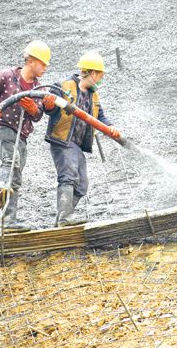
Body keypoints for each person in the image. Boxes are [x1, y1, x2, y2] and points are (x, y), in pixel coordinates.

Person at [43, 51, 121, 227]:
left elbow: (100, 116)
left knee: (82, 184)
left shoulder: (94, 95)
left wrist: (111, 127)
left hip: (77, 145)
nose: (101, 79)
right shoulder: (63, 86)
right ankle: (64, 219)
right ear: (92, 73)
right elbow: (48, 109)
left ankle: (62, 220)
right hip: (62, 141)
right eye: (100, 75)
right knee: (68, 177)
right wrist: (47, 105)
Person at [0, 40, 51, 231]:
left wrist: (32, 108)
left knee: (16, 176)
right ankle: (1, 190)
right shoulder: (7, 75)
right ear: (31, 61)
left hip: (22, 136)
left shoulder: (39, 89)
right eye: (43, 64)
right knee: (11, 162)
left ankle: (8, 222)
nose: (45, 68)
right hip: (2, 127)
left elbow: (37, 116)